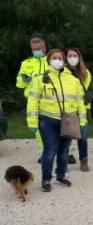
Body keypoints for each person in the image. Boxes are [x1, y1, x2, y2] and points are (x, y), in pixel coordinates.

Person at [26, 49, 87, 192]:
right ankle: (46, 180)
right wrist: (32, 121)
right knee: (49, 151)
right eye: (54, 58)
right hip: (48, 120)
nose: (57, 60)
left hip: (68, 120)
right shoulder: (39, 78)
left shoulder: (73, 79)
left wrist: (82, 121)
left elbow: (79, 101)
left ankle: (60, 176)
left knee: (64, 151)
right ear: (48, 60)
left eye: (60, 58)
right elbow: (33, 101)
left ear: (64, 61)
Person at [16, 37, 48, 163]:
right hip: (32, 99)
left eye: (38, 49)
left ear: (44, 49)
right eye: (33, 49)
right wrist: (25, 80)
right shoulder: (26, 63)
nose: (36, 51)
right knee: (37, 127)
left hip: (49, 99)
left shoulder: (52, 60)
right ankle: (42, 153)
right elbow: (19, 84)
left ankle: (68, 153)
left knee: (57, 126)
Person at [65, 48, 93, 172]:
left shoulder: (86, 73)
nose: (72, 57)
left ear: (79, 57)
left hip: (84, 109)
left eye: (75, 55)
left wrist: (82, 102)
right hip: (68, 109)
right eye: (70, 55)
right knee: (66, 136)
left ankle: (84, 160)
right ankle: (64, 161)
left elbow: (92, 90)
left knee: (82, 137)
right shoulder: (62, 72)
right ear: (66, 58)